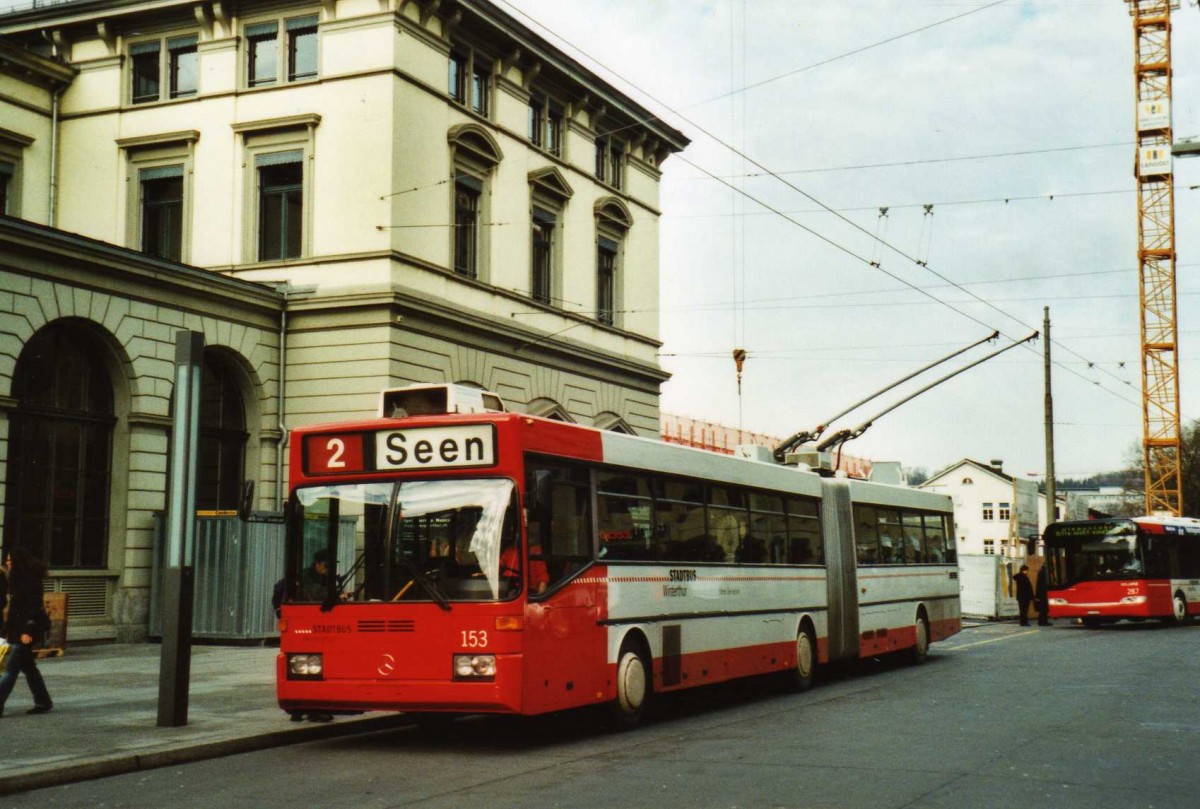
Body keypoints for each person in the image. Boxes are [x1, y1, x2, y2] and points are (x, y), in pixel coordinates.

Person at [0, 547, 53, 717]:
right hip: (17, 630)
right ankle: (43, 701)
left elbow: (34, 607)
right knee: (28, 667)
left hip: (27, 631)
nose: (7, 563)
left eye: (9, 560)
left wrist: (28, 630)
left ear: (18, 562)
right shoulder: (17, 579)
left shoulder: (31, 581)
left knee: (10, 669)